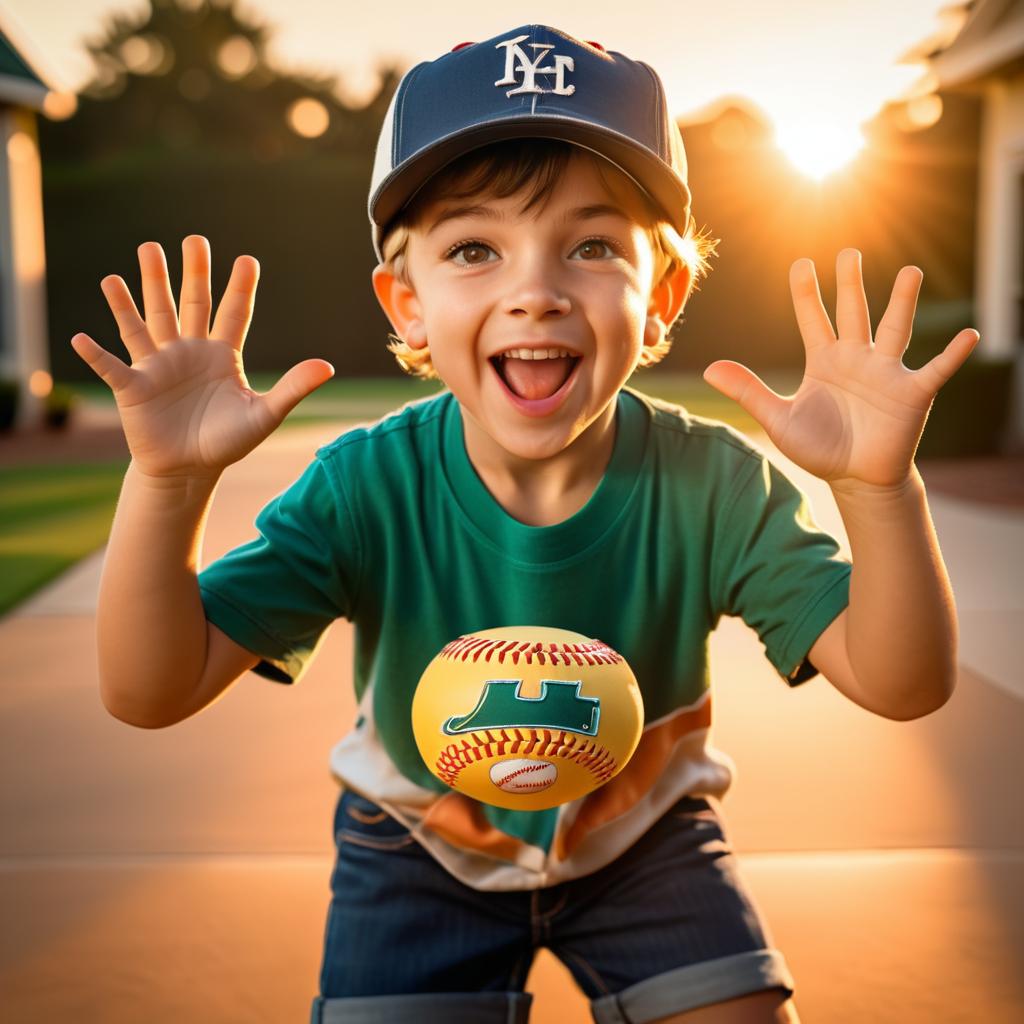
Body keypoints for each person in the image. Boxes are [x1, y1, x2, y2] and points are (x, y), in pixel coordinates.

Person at [71, 25, 979, 1024]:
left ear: (662, 294)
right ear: (407, 302)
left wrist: (877, 490)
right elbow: (148, 688)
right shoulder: (366, 484)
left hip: (644, 838)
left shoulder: (711, 483)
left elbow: (903, 682)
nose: (535, 291)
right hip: (414, 843)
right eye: (473, 249)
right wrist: (164, 484)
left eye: (592, 246)